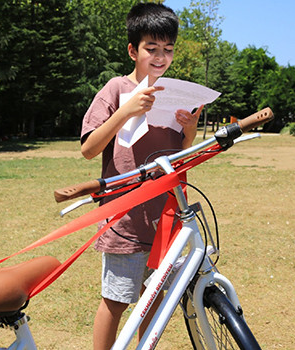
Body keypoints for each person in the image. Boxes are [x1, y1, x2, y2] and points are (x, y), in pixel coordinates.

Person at [80, 4, 202, 349]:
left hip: (165, 217)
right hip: (125, 218)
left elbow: (178, 155)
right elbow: (89, 148)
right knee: (116, 300)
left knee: (153, 298)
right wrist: (126, 110)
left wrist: (189, 132)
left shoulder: (175, 93)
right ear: (133, 50)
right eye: (152, 48)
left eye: (168, 49)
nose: (161, 57)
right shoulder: (116, 89)